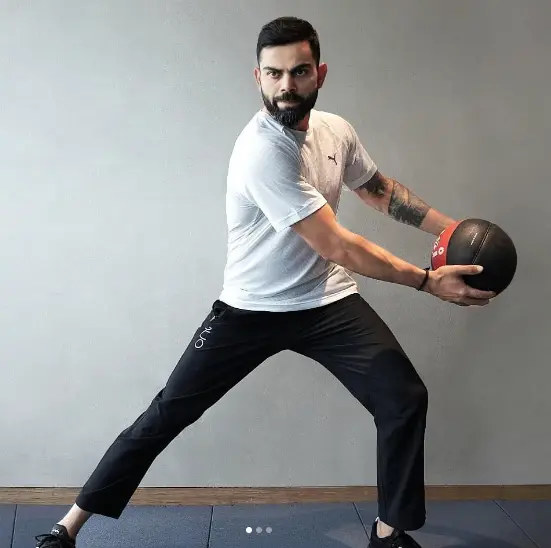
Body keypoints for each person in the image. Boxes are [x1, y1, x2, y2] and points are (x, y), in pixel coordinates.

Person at [35, 16, 495, 548]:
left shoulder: (335, 131)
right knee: (166, 414)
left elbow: (378, 191)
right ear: (257, 76)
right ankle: (68, 527)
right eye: (274, 74)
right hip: (250, 309)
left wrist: (453, 229)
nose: (286, 86)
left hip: (326, 303)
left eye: (299, 72)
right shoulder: (263, 152)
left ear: (319, 73)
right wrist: (426, 281)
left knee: (403, 397)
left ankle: (388, 534)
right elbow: (339, 244)